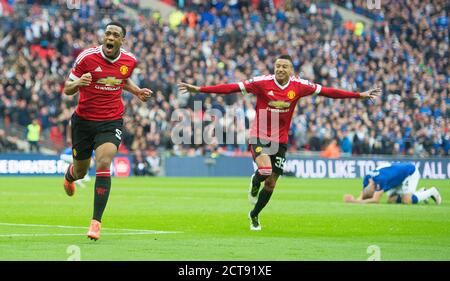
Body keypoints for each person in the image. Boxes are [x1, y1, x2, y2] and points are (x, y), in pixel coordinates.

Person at [178, 54, 381, 231]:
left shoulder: (300, 86)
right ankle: (254, 181)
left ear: (291, 70)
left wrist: (358, 95)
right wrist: (200, 89)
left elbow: (329, 91)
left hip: (281, 139)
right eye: (278, 66)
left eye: (284, 66)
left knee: (272, 183)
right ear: (274, 68)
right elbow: (231, 88)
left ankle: (254, 214)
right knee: (265, 171)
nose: (280, 69)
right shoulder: (261, 82)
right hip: (259, 134)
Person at [62, 21, 153, 240]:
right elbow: (67, 89)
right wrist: (79, 84)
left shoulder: (130, 61)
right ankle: (69, 176)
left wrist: (136, 91)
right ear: (104, 37)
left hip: (111, 121)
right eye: (108, 34)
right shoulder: (86, 58)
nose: (110, 38)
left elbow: (121, 79)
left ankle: (96, 222)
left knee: (104, 162)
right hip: (83, 121)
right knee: (82, 170)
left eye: (115, 35)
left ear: (122, 40)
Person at [343, 163, 442, 205]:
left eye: (376, 190)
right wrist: (354, 199)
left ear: (374, 187)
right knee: (391, 200)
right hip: (396, 178)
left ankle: (432, 191)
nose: (377, 191)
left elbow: (376, 200)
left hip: (409, 172)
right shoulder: (367, 179)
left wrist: (355, 202)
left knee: (407, 200)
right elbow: (363, 196)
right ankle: (420, 193)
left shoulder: (380, 180)